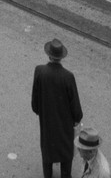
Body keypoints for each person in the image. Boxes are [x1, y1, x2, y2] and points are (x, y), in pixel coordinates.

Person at [31, 38, 84, 178]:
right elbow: (75, 107)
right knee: (65, 152)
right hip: (64, 125)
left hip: (47, 122)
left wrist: (42, 111)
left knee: (47, 150)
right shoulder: (68, 77)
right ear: (61, 57)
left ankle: (47, 174)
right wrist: (77, 118)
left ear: (49, 55)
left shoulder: (39, 71)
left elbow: (35, 103)